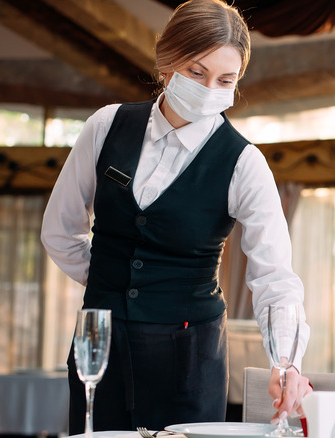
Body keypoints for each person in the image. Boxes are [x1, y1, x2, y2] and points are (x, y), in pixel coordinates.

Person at [40, 0, 311, 432]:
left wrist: (287, 361)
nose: (209, 89)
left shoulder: (244, 163)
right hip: (99, 346)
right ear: (166, 63)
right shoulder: (106, 126)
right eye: (196, 72)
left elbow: (274, 278)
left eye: (225, 79)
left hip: (190, 358)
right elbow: (59, 231)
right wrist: (109, 281)